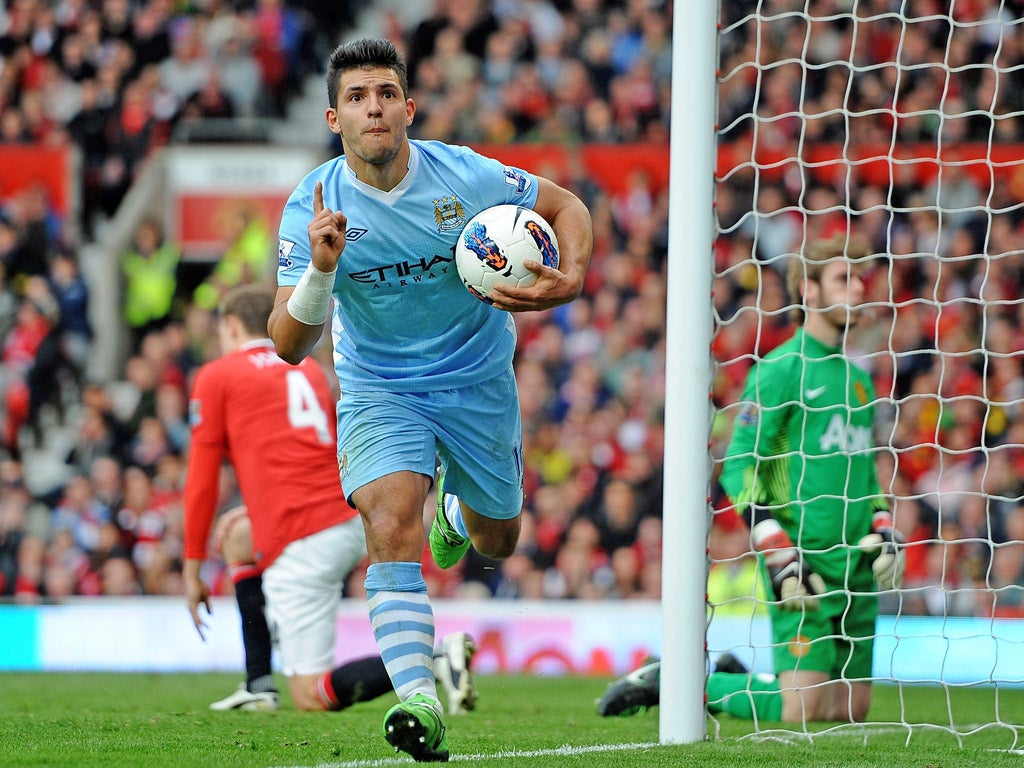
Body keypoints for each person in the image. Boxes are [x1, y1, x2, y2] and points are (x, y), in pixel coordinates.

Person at [268, 38, 593, 762]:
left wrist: (569, 278)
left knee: (495, 541)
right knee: (388, 519)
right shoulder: (312, 206)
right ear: (333, 118)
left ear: (408, 107)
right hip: (381, 385)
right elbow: (289, 343)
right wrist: (321, 270)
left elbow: (564, 204)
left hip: (477, 377)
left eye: (385, 93)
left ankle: (456, 508)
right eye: (357, 97)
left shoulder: (465, 175)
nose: (373, 108)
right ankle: (418, 697)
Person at [596, 234, 905, 723]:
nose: (859, 289)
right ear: (811, 291)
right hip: (802, 560)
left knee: (850, 710)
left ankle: (732, 674)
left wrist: (884, 524)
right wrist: (777, 548)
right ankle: (677, 679)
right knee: (801, 710)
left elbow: (866, 468)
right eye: (844, 279)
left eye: (860, 280)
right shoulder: (781, 370)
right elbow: (739, 466)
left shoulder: (859, 378)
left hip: (857, 563)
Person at [183, 285, 477, 716]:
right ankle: (259, 683)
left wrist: (192, 567)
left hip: (304, 537)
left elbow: (202, 479)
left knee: (309, 697)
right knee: (239, 537)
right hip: (347, 513)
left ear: (230, 327)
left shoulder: (218, 375)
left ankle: (430, 661)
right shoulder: (307, 370)